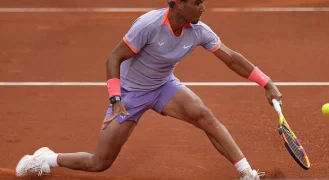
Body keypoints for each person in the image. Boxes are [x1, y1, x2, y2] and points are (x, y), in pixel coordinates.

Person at [15, 0, 282, 179]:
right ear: (178, 3)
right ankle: (48, 158)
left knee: (205, 116)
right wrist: (116, 98)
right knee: (100, 162)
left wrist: (266, 82)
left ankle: (246, 173)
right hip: (130, 95)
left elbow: (231, 57)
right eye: (197, 2)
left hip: (164, 86)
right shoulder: (149, 25)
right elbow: (113, 58)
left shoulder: (198, 30)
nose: (204, 7)